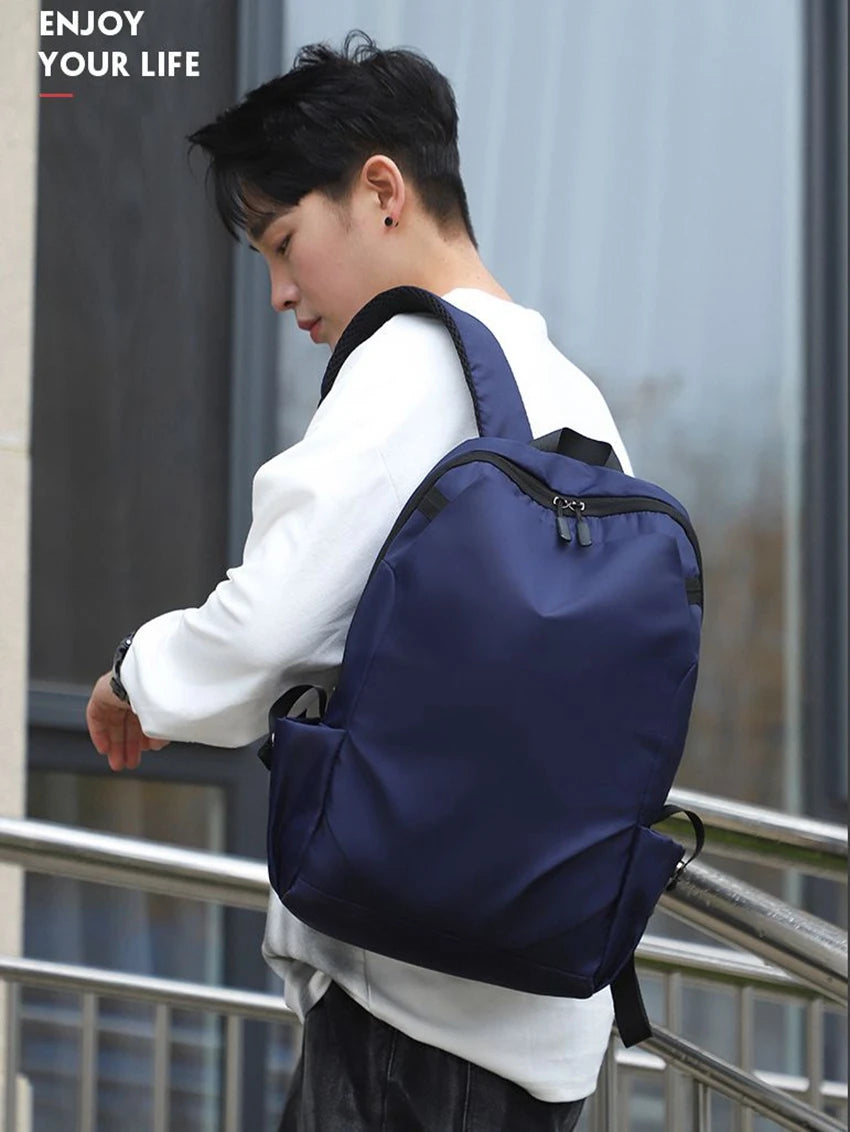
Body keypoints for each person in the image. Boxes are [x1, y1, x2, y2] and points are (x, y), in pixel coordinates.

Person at [86, 31, 632, 1131]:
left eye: (286, 243)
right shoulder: (567, 391)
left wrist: (132, 680)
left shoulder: (408, 363)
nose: (284, 294)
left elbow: (267, 624)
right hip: (542, 1016)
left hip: (413, 1027)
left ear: (381, 189)